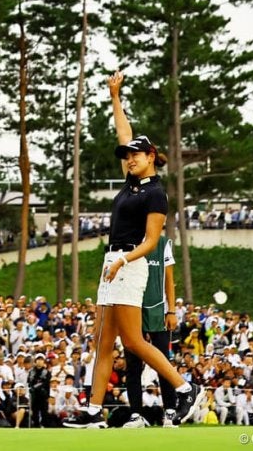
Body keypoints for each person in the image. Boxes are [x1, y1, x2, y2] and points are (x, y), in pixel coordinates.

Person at [64, 71, 199, 429]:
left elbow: (152, 241)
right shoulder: (132, 183)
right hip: (114, 260)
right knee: (103, 340)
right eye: (127, 156)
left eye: (136, 154)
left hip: (130, 262)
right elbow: (124, 132)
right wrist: (114, 96)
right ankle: (94, 413)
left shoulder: (156, 192)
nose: (129, 158)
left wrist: (123, 259)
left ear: (151, 156)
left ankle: (185, 388)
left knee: (134, 341)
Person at [121, 234, 178, 428]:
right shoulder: (127, 240)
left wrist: (171, 310)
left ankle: (170, 412)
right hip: (132, 309)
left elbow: (169, 279)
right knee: (133, 366)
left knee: (163, 363)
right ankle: (136, 415)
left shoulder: (162, 243)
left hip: (158, 312)